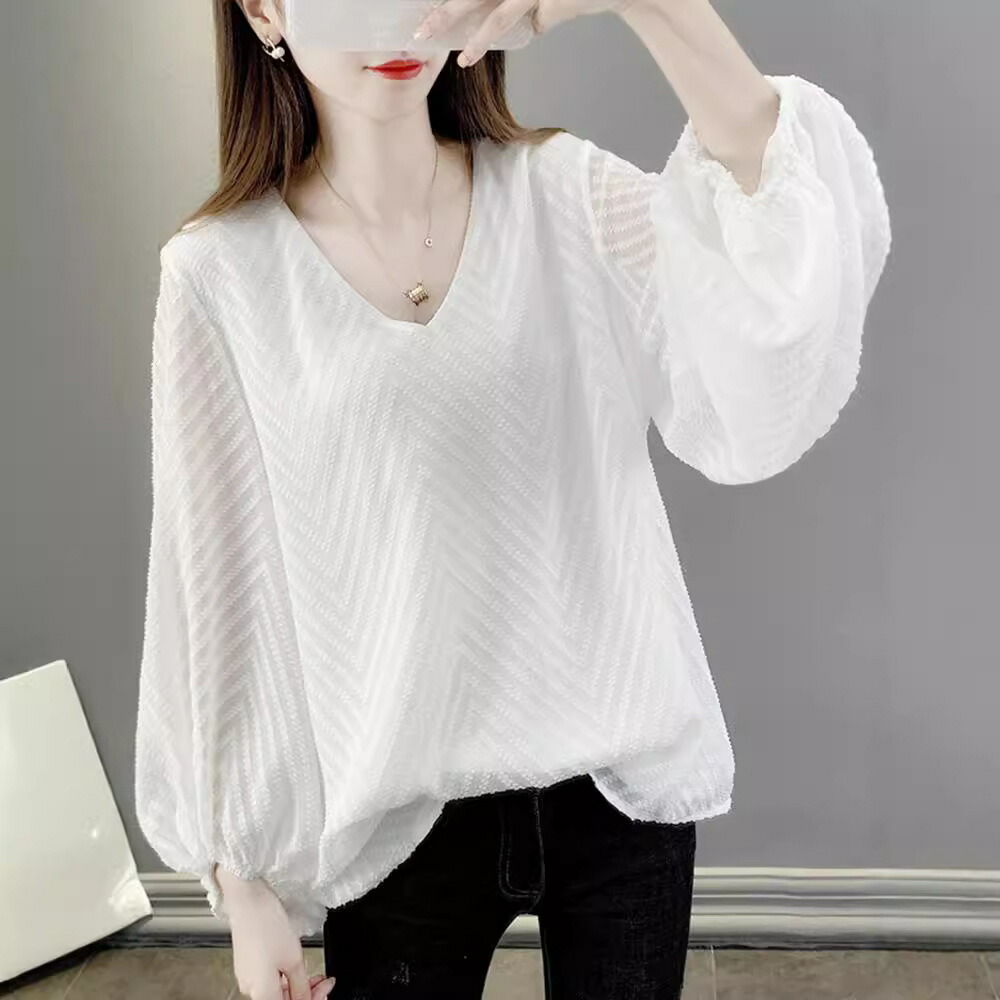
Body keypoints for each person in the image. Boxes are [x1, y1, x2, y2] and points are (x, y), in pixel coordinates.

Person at [133, 0, 891, 997]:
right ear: (266, 10)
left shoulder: (563, 196)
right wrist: (242, 879)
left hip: (619, 790)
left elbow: (768, 324)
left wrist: (649, 1)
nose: (396, 21)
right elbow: (215, 590)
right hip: (400, 824)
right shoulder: (221, 274)